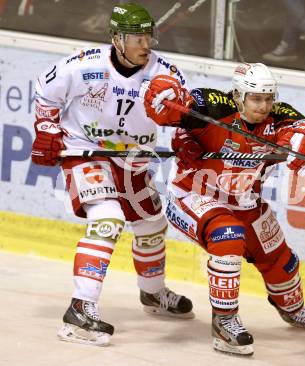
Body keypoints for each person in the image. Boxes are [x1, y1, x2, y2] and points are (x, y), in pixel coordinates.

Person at [31, 2, 194, 347]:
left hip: (134, 159)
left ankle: (152, 294)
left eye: (148, 37)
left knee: (151, 223)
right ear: (117, 39)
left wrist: (185, 135)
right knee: (107, 218)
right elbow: (45, 93)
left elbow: (184, 117)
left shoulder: (166, 75)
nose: (145, 45)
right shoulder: (82, 65)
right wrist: (47, 129)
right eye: (136, 38)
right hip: (84, 150)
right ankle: (80, 308)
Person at [143, 62, 305, 356]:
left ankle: (293, 309)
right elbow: (176, 108)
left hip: (245, 201)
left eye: (269, 98)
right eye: (256, 98)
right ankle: (224, 322)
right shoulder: (217, 109)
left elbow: (304, 130)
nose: (264, 105)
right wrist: (169, 109)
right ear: (239, 96)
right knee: (228, 237)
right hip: (194, 195)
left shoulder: (278, 117)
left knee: (279, 259)